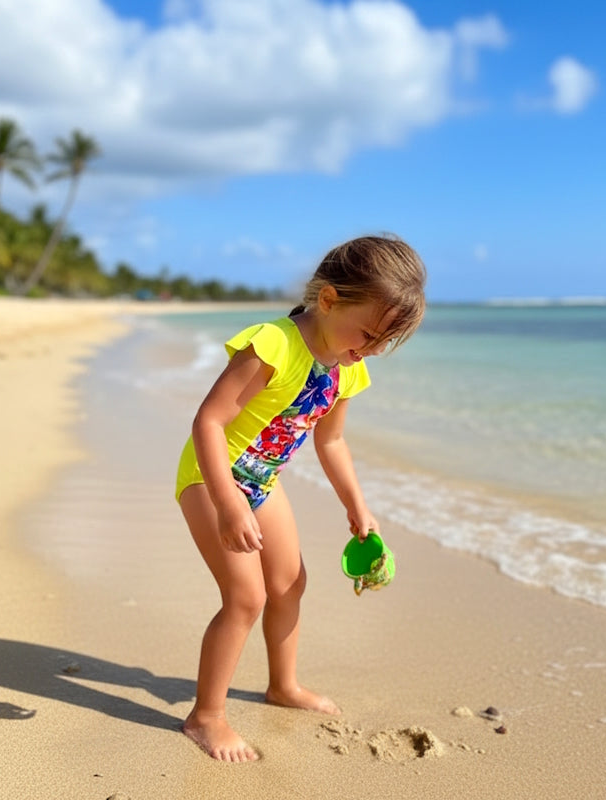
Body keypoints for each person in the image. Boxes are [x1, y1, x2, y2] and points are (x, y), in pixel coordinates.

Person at [175, 235, 427, 762]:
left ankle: (282, 686)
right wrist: (228, 502)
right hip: (211, 474)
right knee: (246, 597)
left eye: (386, 342)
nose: (373, 349)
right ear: (330, 299)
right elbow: (209, 421)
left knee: (290, 583)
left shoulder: (347, 367)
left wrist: (358, 508)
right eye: (370, 334)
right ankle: (206, 716)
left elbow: (330, 441)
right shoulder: (274, 344)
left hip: (261, 480)